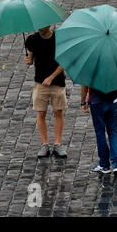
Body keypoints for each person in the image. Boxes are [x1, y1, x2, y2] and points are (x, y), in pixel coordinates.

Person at [24, 25, 68, 158]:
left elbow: (64, 61)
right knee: (41, 112)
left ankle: (57, 144)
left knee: (58, 111)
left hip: (57, 82)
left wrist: (51, 77)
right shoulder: (32, 40)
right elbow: (30, 59)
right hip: (40, 83)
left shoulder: (59, 39)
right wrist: (28, 60)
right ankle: (44, 144)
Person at [81, 86, 117, 176]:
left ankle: (104, 165)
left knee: (100, 133)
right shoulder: (115, 70)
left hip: (97, 102)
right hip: (113, 101)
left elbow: (84, 85)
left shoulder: (91, 70)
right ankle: (116, 164)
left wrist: (83, 102)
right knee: (113, 132)